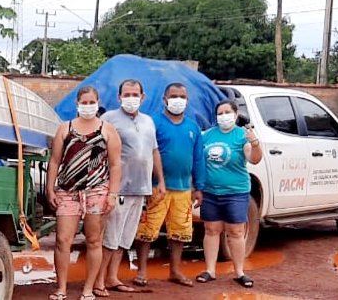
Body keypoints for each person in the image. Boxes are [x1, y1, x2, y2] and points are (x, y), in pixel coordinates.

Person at [46, 86, 122, 300]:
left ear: (98, 103)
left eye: (92, 102)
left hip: (98, 191)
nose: (88, 106)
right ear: (77, 104)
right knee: (62, 239)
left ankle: (88, 289)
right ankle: (60, 288)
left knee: (94, 240)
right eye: (84, 102)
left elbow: (115, 165)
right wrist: (50, 187)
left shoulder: (108, 130)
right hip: (68, 191)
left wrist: (112, 194)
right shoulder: (65, 128)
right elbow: (54, 160)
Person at [94, 79, 165, 296]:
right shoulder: (108, 119)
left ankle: (113, 277)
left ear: (142, 97)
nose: (131, 98)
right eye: (127, 94)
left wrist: (160, 180)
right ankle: (98, 281)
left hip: (141, 188)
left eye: (135, 94)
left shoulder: (148, 122)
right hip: (118, 189)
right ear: (119, 97)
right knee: (110, 237)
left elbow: (153, 151)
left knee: (125, 238)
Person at [134, 82, 206, 288]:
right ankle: (142, 271)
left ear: (187, 101)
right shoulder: (153, 123)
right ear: (164, 100)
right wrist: (146, 184)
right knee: (147, 231)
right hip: (156, 188)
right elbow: (145, 154)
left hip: (184, 190)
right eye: (174, 96)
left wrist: (199, 186)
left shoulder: (193, 127)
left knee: (180, 233)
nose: (178, 100)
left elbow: (198, 158)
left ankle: (175, 271)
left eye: (182, 97)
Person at [196, 99, 263, 288]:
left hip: (236, 192)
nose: (223, 116)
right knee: (211, 230)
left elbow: (254, 159)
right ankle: (210, 270)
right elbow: (198, 160)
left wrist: (256, 143)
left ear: (235, 114)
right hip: (210, 192)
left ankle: (239, 271)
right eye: (220, 113)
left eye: (227, 112)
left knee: (236, 231)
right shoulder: (207, 135)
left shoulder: (243, 136)